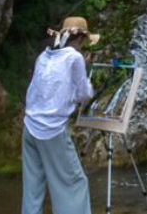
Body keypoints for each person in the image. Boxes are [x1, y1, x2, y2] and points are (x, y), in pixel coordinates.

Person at [22, 17, 99, 214]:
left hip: (29, 126)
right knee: (74, 184)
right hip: (51, 131)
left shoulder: (44, 56)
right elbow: (84, 95)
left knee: (33, 188)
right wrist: (84, 67)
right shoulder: (75, 58)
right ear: (81, 39)